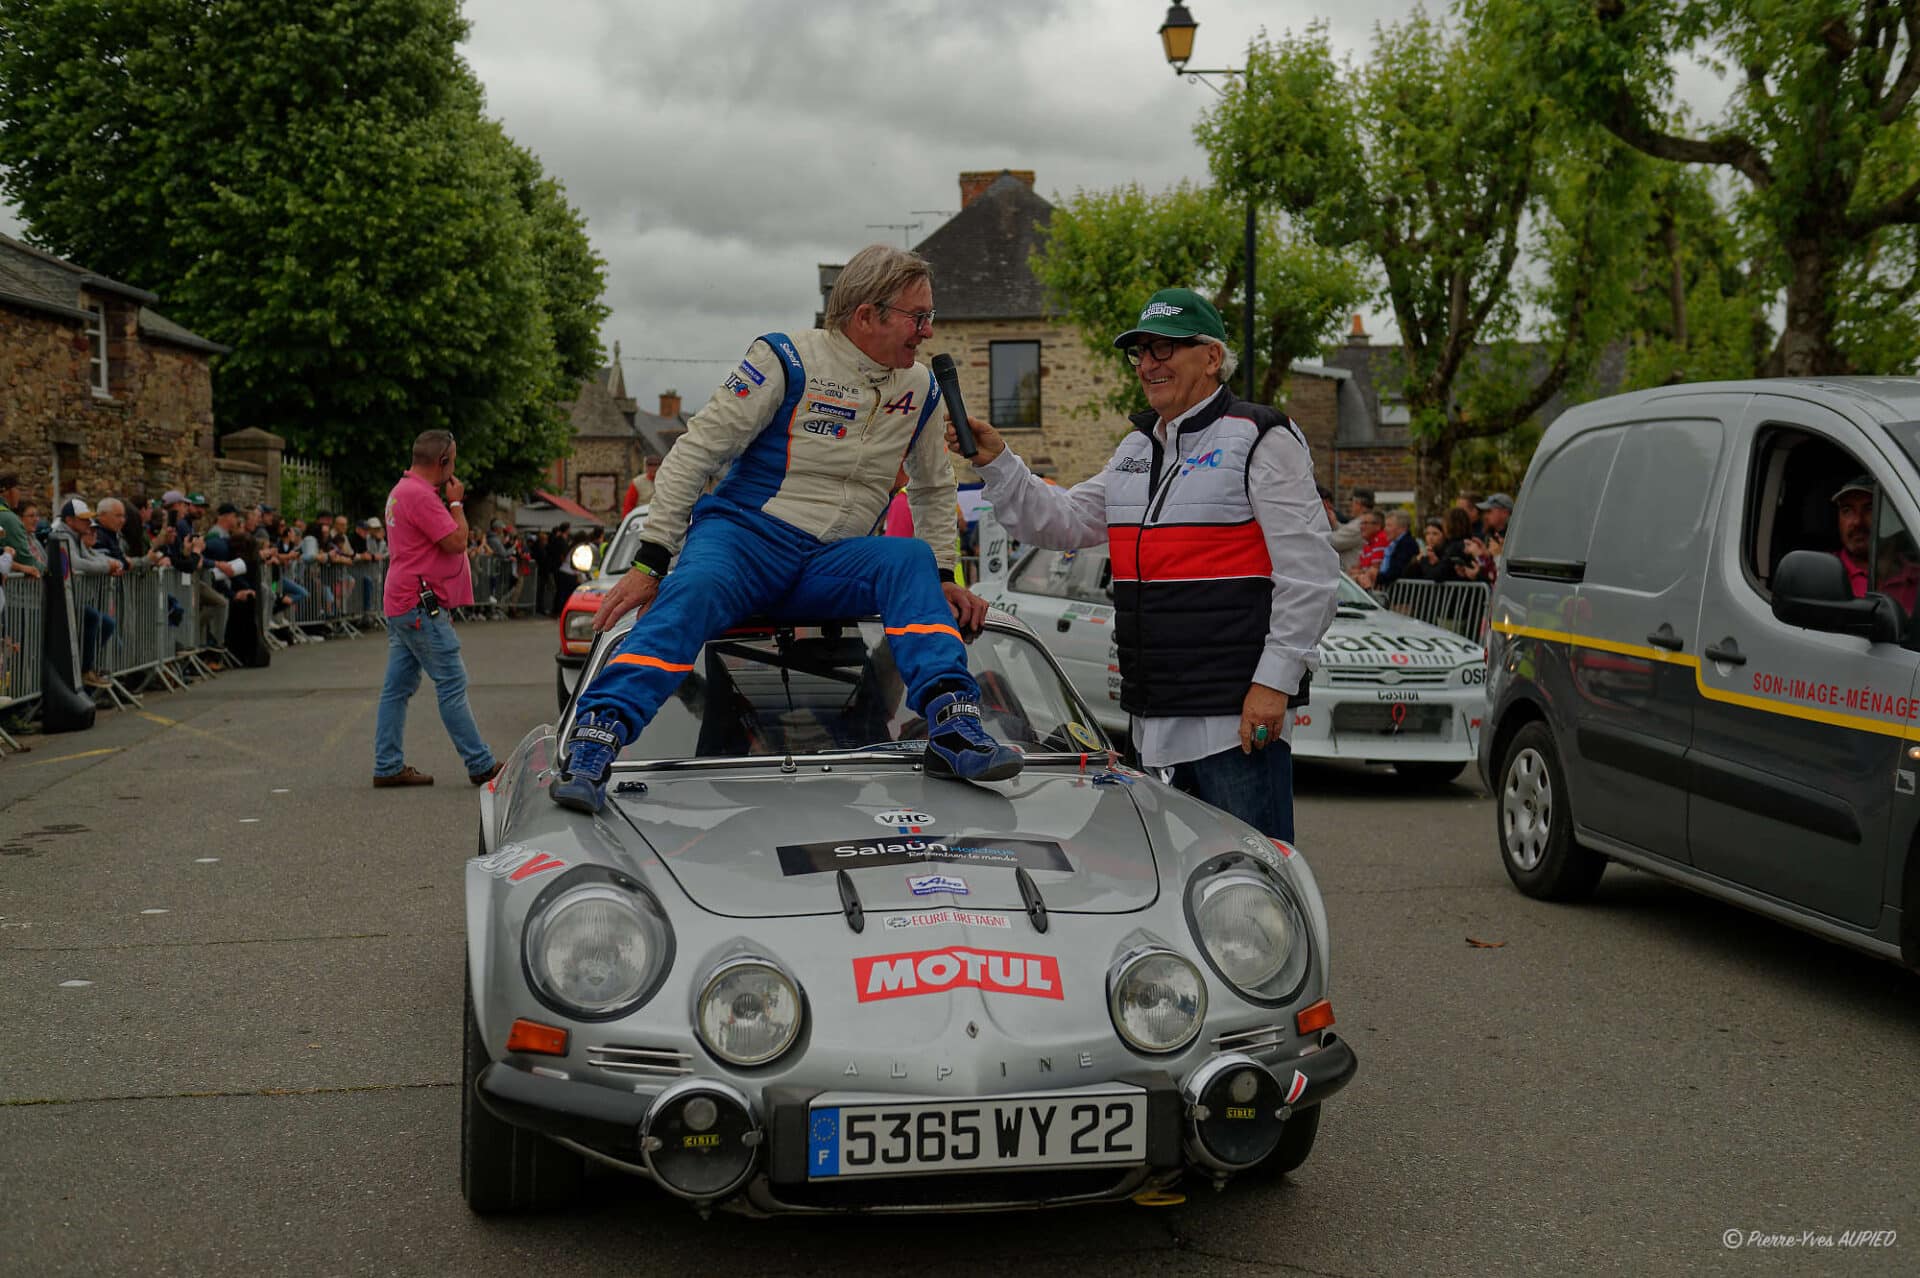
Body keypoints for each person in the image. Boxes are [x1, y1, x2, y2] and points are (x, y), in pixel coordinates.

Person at [554, 243, 1016, 814]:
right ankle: (594, 742)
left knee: (909, 560)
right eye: (916, 317)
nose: (926, 331)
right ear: (866, 316)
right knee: (689, 592)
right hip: (745, 541)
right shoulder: (785, 358)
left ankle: (953, 724)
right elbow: (693, 453)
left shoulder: (920, 387)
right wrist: (652, 559)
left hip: (833, 559)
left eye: (930, 317)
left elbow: (931, 486)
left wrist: (944, 573)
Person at [947, 287, 1338, 841]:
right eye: (1140, 353)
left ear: (1210, 356)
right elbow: (1063, 520)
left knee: (1252, 882)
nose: (1149, 364)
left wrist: (1274, 682)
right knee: (1169, 887)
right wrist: (999, 463)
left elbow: (1311, 574)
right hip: (1150, 717)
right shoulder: (1135, 448)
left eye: (1165, 349)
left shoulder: (1261, 436)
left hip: (1233, 721)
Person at [371, 430, 500, 789]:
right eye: (453, 460)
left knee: (397, 688)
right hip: (419, 603)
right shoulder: (421, 497)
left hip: (402, 599)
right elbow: (456, 542)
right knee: (452, 682)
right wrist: (456, 504)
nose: (454, 468)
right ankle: (480, 763)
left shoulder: (402, 491)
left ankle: (387, 764)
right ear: (443, 461)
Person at [49, 498, 123, 688]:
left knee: (103, 623)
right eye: (82, 519)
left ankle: (85, 670)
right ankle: (83, 670)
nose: (87, 523)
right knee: (101, 622)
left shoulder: (74, 535)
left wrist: (114, 563)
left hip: (73, 598)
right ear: (69, 520)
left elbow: (92, 556)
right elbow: (76, 564)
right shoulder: (62, 536)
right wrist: (107, 567)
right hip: (60, 600)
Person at [1832, 476, 1920, 613]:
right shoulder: (1825, 574)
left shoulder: (1916, 576)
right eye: (1847, 510)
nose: (1857, 521)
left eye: (1870, 508)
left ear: (1893, 516)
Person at [0, 473, 46, 581]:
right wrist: (50, 573)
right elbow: (24, 558)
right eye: (18, 489)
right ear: (7, 491)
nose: (19, 494)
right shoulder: (9, 519)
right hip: (14, 593)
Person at [1375, 510, 1419, 589]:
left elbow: (1396, 571)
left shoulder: (1407, 544)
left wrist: (1375, 577)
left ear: (1402, 528)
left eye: (1389, 525)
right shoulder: (1394, 544)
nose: (1385, 529)